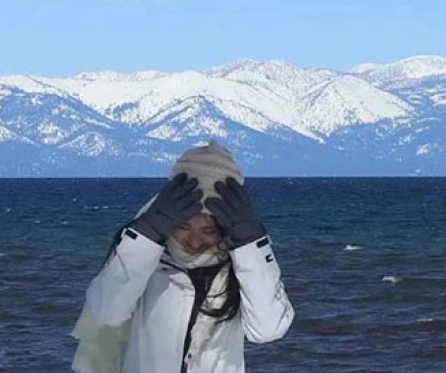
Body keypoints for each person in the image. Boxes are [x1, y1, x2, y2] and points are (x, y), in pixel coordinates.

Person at [71, 142, 294, 373]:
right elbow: (106, 311)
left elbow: (268, 329)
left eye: (208, 231)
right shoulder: (141, 254)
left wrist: (250, 242)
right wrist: (147, 234)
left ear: (227, 226)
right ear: (168, 216)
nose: (194, 241)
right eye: (183, 226)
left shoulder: (245, 264)